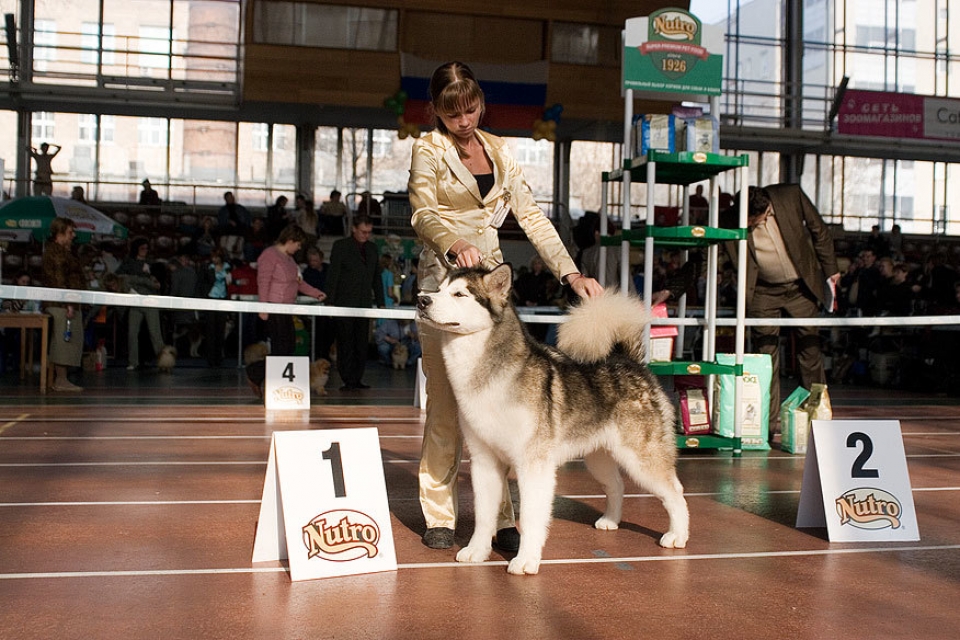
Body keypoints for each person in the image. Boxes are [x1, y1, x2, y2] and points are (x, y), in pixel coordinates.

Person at [408, 61, 603, 551]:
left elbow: (533, 217)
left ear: (480, 102)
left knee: (505, 413)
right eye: (453, 114)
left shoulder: (500, 150)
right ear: (436, 111)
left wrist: (569, 271)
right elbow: (422, 212)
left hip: (492, 298)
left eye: (471, 109)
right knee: (448, 411)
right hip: (446, 293)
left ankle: (501, 521)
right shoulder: (426, 149)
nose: (464, 121)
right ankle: (439, 513)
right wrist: (452, 243)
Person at [721, 185, 839, 437]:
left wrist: (831, 269)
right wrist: (672, 290)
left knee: (810, 350)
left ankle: (816, 415)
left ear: (764, 211)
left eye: (752, 221)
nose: (748, 225)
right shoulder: (729, 219)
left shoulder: (790, 196)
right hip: (762, 290)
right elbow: (703, 257)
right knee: (765, 354)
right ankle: (767, 422)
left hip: (801, 288)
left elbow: (819, 231)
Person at [245, 225, 326, 395]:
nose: (299, 248)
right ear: (289, 241)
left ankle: (261, 376)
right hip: (274, 309)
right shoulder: (269, 255)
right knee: (281, 350)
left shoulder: (290, 260)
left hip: (287, 310)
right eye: (298, 244)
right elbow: (263, 281)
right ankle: (254, 373)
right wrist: (263, 307)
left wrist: (317, 294)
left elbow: (299, 283)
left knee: (288, 349)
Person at [326, 214, 385, 391]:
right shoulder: (340, 246)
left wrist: (381, 303)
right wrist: (329, 301)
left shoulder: (373, 249)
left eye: (369, 233)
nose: (366, 235)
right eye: (363, 232)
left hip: (365, 304)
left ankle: (357, 378)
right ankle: (347, 379)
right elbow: (333, 275)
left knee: (361, 343)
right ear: (353, 229)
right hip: (343, 302)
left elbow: (376, 277)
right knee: (345, 342)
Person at [41, 217, 86, 391]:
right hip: (61, 304)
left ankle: (62, 378)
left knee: (70, 339)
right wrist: (68, 302)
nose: (73, 236)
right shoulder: (56, 253)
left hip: (70, 302)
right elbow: (59, 280)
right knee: (63, 340)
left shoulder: (64, 252)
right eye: (70, 232)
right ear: (59, 233)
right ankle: (60, 380)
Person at [116, 238, 166, 370]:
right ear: (136, 249)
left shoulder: (151, 263)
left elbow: (158, 283)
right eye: (142, 248)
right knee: (132, 333)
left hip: (150, 301)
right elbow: (121, 277)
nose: (145, 251)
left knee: (155, 333)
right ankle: (133, 361)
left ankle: (164, 363)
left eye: (147, 248)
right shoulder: (128, 262)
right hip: (135, 301)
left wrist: (143, 280)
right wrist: (144, 280)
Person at [197, 248, 231, 367]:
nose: (214, 259)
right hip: (211, 299)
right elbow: (201, 283)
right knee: (210, 330)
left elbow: (230, 283)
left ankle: (219, 357)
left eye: (216, 257)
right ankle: (211, 359)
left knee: (220, 330)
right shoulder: (207, 268)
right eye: (213, 257)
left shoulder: (228, 267)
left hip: (222, 300)